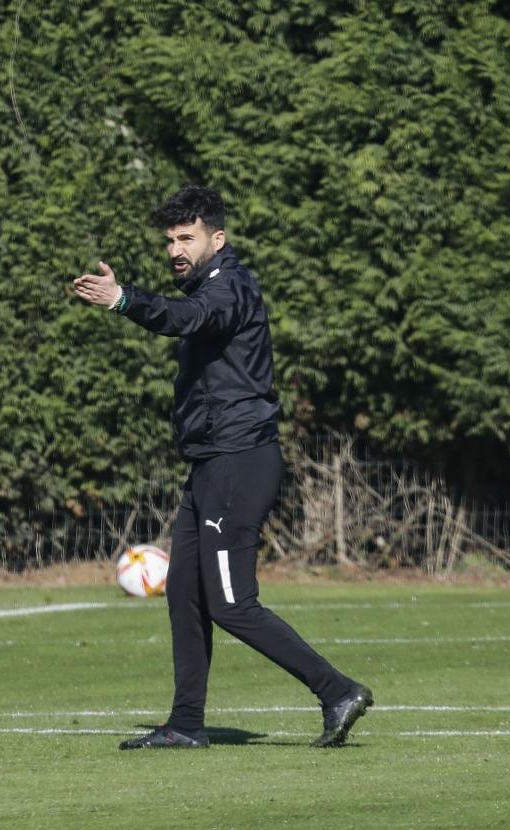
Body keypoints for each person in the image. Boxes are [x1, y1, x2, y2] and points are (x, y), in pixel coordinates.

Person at [74, 184, 372, 749]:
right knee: (185, 593)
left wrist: (122, 300)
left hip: (240, 461)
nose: (175, 250)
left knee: (233, 603)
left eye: (187, 238)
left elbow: (185, 317)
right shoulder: (208, 284)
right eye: (170, 240)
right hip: (210, 465)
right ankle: (186, 725)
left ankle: (336, 690)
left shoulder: (228, 286)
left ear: (218, 237)